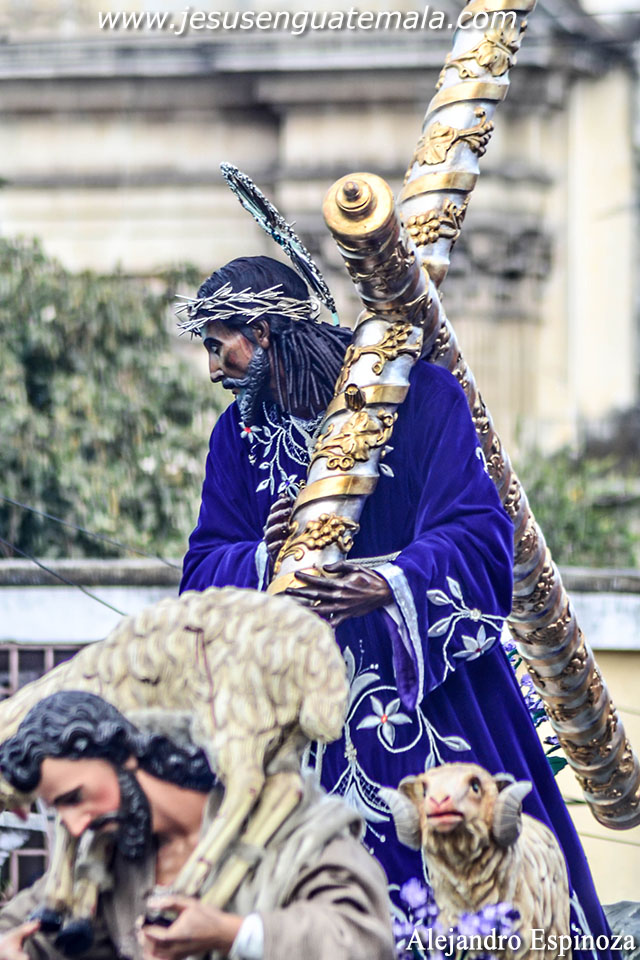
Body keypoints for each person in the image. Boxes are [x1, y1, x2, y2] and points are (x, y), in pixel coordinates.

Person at [178, 254, 620, 959]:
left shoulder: (421, 397)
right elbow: (202, 570)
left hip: (436, 701)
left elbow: (477, 532)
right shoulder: (239, 438)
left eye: (216, 345)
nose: (212, 370)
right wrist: (263, 559)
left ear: (261, 333)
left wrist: (390, 583)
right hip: (304, 727)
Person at [0, 691, 395, 960]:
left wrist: (232, 932)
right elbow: (24, 925)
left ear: (123, 754)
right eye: (57, 809)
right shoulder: (113, 857)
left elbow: (360, 939)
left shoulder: (295, 831)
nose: (73, 825)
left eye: (75, 798)